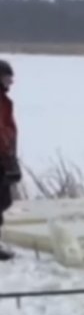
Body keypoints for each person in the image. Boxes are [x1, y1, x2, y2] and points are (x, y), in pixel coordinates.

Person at [0, 59, 21, 261]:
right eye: (7, 77)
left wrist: (11, 159)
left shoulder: (4, 102)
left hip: (4, 157)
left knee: (4, 200)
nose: (11, 82)